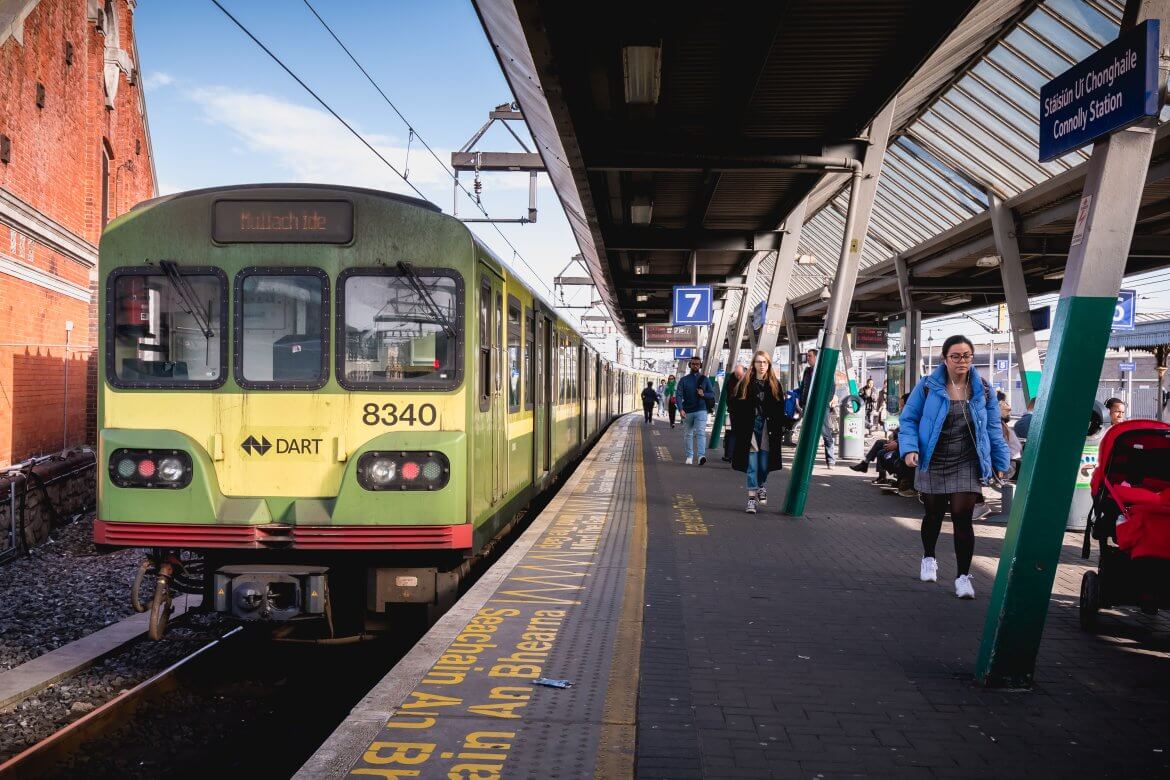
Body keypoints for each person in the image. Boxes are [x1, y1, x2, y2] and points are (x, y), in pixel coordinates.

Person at [899, 335, 1010, 600]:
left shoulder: (982, 389)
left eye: (967, 356)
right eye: (956, 356)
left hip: (967, 461)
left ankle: (962, 577)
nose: (962, 361)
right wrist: (910, 448)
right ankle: (929, 557)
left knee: (963, 517)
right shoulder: (928, 386)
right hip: (932, 459)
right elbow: (909, 419)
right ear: (945, 359)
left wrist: (1000, 461)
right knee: (934, 515)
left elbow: (994, 427)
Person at [727, 351, 787, 513]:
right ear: (753, 364)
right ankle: (751, 499)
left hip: (768, 429)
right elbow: (734, 407)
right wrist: (738, 428)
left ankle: (761, 485)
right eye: (759, 362)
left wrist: (781, 427)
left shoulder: (775, 385)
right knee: (752, 463)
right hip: (749, 428)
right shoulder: (745, 384)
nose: (762, 365)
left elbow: (780, 409)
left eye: (765, 362)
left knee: (764, 464)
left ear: (769, 365)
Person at [676, 356, 717, 465]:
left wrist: (703, 394)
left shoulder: (705, 379)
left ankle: (701, 456)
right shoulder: (684, 380)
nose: (695, 366)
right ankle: (689, 456)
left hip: (701, 410)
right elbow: (678, 395)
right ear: (690, 365)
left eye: (697, 364)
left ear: (700, 366)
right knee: (688, 434)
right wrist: (680, 409)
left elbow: (712, 394)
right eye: (693, 364)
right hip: (687, 410)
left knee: (700, 433)